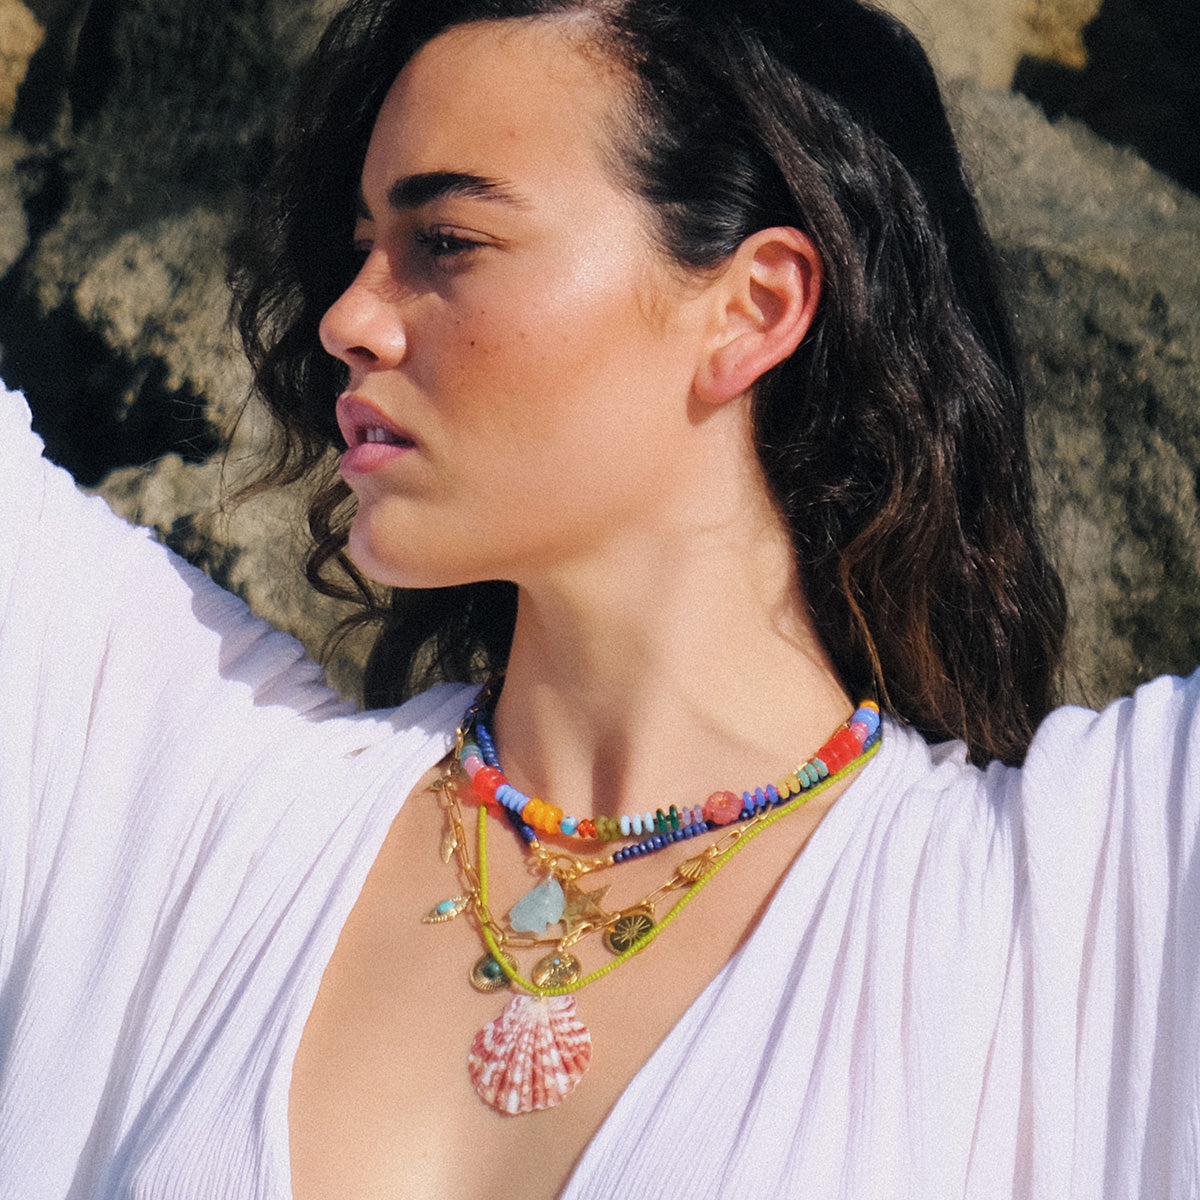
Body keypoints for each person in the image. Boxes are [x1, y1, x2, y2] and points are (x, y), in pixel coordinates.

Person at [1, 0, 1197, 1197]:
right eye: (361, 246)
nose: (348, 319)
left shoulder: (1058, 918)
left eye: (449, 243)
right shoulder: (199, 795)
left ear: (752, 306)